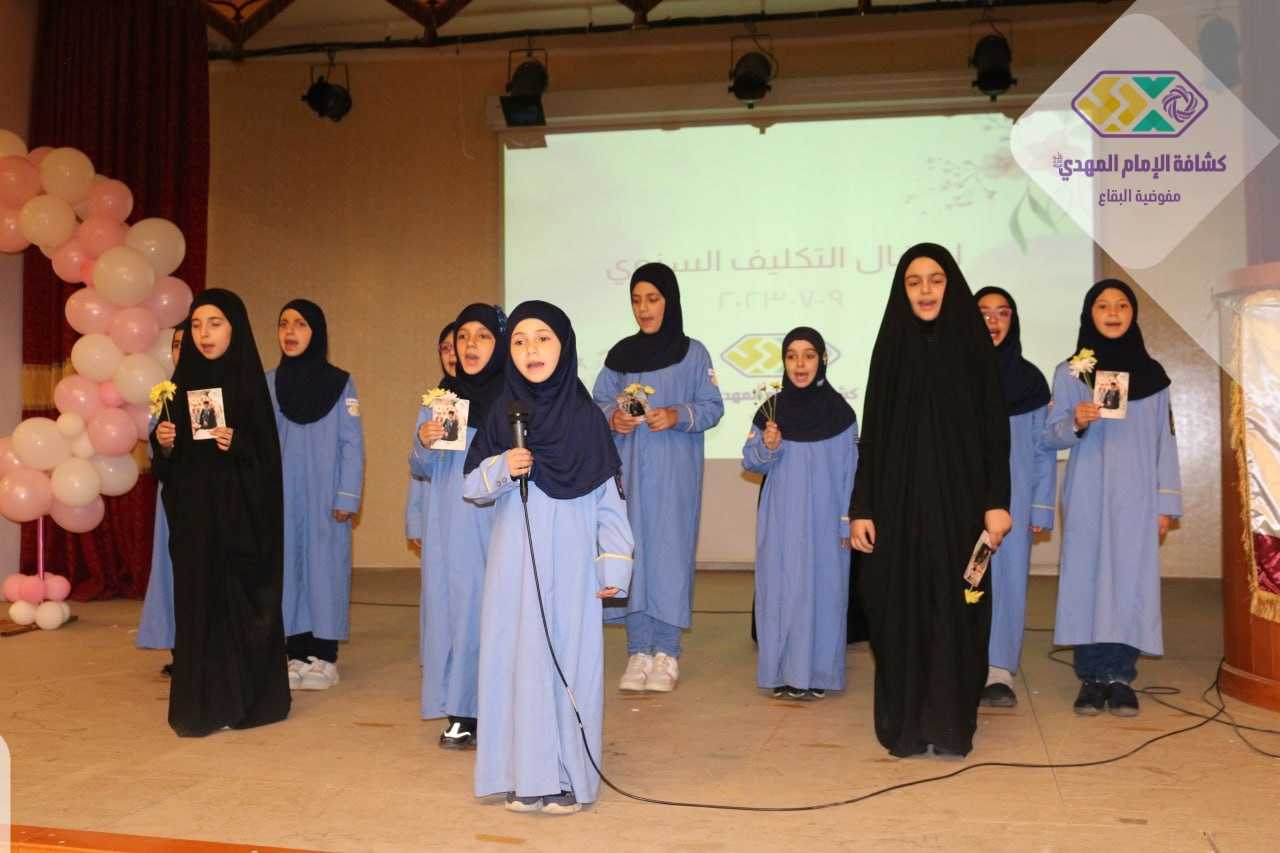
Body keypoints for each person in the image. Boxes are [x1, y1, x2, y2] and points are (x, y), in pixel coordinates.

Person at [464, 300, 633, 815]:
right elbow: (472, 486)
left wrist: (613, 565)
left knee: (568, 665)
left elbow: (610, 502)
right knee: (516, 664)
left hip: (572, 565)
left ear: (565, 346)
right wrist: (501, 466)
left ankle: (567, 777)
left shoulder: (586, 419)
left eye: (543, 338)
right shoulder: (502, 414)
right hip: (513, 568)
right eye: (518, 340)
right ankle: (523, 775)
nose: (530, 350)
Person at [849, 244, 1012, 758]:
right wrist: (862, 507)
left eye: (935, 279)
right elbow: (874, 435)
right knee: (898, 611)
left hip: (961, 509)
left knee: (957, 610)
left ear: (951, 285)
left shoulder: (972, 348)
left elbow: (994, 431)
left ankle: (949, 724)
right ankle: (906, 726)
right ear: (902, 289)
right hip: (897, 510)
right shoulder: (891, 347)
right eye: (914, 281)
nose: (925, 290)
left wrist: (997, 501)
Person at [151, 289, 290, 737]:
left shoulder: (248, 383)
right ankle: (201, 704)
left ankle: (245, 701)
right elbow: (165, 468)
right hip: (195, 524)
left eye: (215, 324)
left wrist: (239, 444)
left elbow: (268, 464)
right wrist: (164, 444)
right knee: (198, 607)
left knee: (240, 606)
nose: (204, 334)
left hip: (240, 524)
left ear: (235, 328)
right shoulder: (179, 385)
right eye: (197, 325)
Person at [1044, 280, 1181, 717]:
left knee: (1129, 580)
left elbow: (1166, 442)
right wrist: (1076, 422)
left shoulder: (1154, 377)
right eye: (1102, 305)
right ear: (1089, 314)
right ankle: (1091, 677)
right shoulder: (1071, 373)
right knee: (1087, 579)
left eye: (1122, 305)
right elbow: (1049, 436)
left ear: (1133, 313)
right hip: (1088, 493)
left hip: (1137, 497)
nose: (1113, 312)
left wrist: (1165, 505)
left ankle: (1120, 676)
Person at [591, 262, 723, 692]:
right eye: (636, 300)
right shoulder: (620, 356)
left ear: (670, 301)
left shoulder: (694, 354)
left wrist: (676, 415)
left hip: (674, 477)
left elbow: (713, 406)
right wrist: (613, 418)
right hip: (629, 475)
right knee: (632, 555)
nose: (644, 308)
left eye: (652, 299)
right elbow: (597, 401)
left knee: (669, 558)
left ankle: (666, 653)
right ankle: (638, 652)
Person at [743, 327, 858, 700]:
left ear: (822, 360)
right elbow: (751, 462)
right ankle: (780, 672)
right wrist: (768, 446)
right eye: (791, 356)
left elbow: (851, 473)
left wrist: (847, 523)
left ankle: (819, 674)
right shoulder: (771, 413)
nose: (800, 364)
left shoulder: (841, 414)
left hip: (826, 523)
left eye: (809, 355)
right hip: (781, 521)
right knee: (781, 593)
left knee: (824, 593)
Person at [412, 304, 505, 749]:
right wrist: (423, 442)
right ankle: (461, 710)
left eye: (482, 336)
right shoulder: (441, 400)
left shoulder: (513, 399)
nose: (469, 345)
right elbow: (420, 467)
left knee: (494, 613)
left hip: (495, 522)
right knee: (453, 614)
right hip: (449, 525)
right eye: (463, 337)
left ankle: (500, 708)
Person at [268, 299, 364, 691]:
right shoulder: (269, 383)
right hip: (283, 496)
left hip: (327, 496)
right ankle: (294, 652)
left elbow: (352, 444)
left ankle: (324, 655)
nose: (290, 332)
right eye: (283, 323)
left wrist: (347, 496)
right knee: (288, 569)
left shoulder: (340, 383)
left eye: (301, 324)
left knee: (326, 571)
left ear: (317, 332)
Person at [973, 286, 1057, 707]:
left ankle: (998, 670)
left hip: (1014, 499)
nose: (993, 321)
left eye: (1002, 312)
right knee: (960, 579)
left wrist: (1040, 505)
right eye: (983, 312)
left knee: (1005, 582)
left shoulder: (1030, 382)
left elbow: (1043, 449)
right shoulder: (952, 375)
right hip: (959, 498)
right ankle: (960, 663)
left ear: (1014, 320)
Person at [136, 321, 188, 673]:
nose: (180, 351)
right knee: (172, 572)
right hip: (172, 498)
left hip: (208, 498)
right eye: (175, 345)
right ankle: (179, 649)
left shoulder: (216, 389)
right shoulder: (164, 394)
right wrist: (163, 443)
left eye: (186, 343)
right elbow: (154, 452)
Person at [408, 322, 458, 658]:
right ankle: (442, 659)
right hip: (438, 511)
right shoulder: (435, 403)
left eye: (459, 345)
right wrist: (415, 520)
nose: (453, 354)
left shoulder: (495, 397)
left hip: (477, 514)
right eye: (445, 348)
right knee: (440, 589)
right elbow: (417, 470)